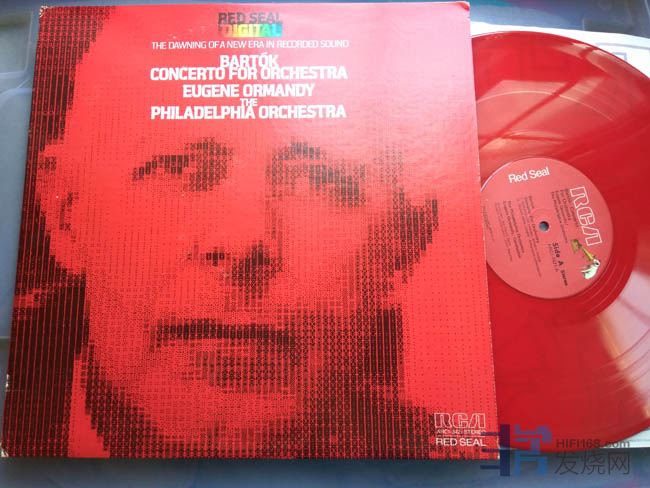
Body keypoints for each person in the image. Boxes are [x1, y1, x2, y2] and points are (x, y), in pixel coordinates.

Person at [3, 6, 488, 458]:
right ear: (66, 215)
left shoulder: (450, 453)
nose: (242, 244)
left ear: (403, 245)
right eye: (178, 167)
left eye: (320, 180)